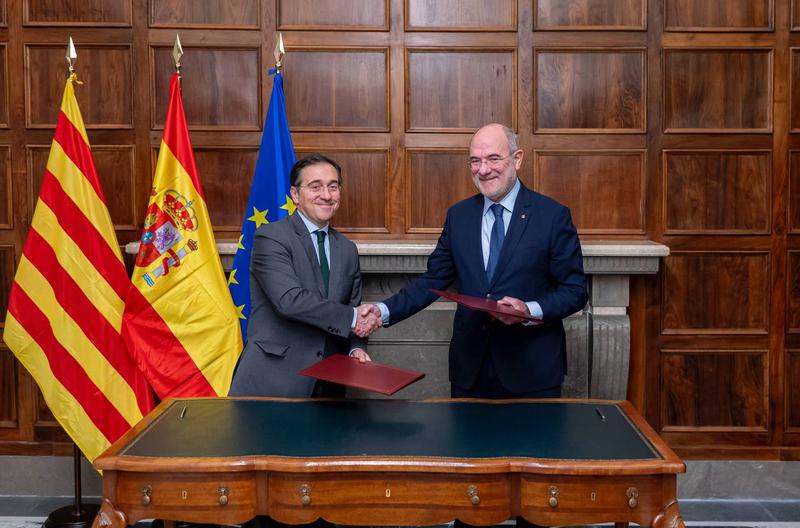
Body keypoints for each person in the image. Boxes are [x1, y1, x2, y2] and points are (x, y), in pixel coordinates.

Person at [362, 123, 588, 400]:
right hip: (469, 371)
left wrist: (528, 310)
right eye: (475, 161)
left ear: (517, 159)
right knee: (465, 445)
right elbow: (433, 280)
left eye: (493, 158)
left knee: (533, 445)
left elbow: (575, 291)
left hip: (532, 372)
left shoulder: (552, 216)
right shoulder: (459, 216)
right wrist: (381, 310)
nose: (483, 169)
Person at [229, 153, 380, 398]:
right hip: (273, 381)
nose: (327, 195)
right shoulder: (271, 237)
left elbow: (351, 307)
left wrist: (355, 348)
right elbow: (290, 300)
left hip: (328, 384)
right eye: (315, 187)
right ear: (295, 195)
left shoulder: (347, 249)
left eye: (333, 186)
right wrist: (355, 317)